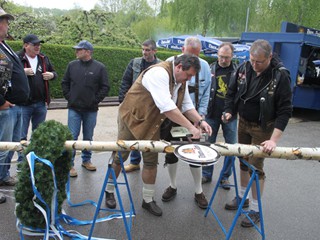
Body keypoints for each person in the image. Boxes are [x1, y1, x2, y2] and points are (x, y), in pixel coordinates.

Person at [104, 54, 212, 216]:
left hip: (152, 122)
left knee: (150, 161)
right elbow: (167, 107)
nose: (189, 79)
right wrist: (191, 127)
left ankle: (147, 200)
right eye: (188, 75)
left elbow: (186, 104)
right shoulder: (159, 73)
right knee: (120, 156)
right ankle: (109, 190)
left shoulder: (181, 80)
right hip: (132, 118)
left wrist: (200, 121)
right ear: (179, 67)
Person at [224, 39, 292, 227]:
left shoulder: (280, 76)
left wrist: (273, 140)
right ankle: (242, 197)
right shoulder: (244, 68)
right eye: (252, 60)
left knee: (256, 167)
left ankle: (255, 210)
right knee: (243, 162)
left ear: (270, 57)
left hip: (263, 127)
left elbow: (285, 110)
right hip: (243, 123)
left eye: (259, 62)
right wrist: (229, 110)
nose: (254, 65)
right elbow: (231, 93)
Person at [162, 36, 211, 209]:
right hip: (172, 117)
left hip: (194, 117)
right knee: (171, 153)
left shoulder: (204, 66)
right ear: (183, 50)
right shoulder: (169, 64)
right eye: (191, 55)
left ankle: (198, 191)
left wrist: (200, 118)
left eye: (196, 56)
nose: (194, 59)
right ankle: (173, 185)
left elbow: (204, 95)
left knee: (196, 156)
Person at [61, 40, 109, 177]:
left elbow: (105, 87)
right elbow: (64, 83)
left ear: (88, 52)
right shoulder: (72, 65)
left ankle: (86, 160)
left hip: (91, 110)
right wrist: (70, 98)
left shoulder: (100, 67)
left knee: (88, 137)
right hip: (74, 109)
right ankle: (69, 165)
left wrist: (94, 100)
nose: (76, 51)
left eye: (79, 49)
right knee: (72, 137)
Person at [0, 8, 30, 202]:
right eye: (5, 21)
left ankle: (2, 176)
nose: (7, 25)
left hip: (13, 107)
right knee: (1, 148)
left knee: (8, 147)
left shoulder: (4, 45)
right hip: (4, 107)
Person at [119, 39, 161, 173]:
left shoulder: (160, 65)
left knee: (146, 134)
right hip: (133, 104)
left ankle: (147, 164)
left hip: (151, 107)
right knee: (131, 132)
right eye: (143, 49)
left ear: (154, 51)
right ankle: (134, 162)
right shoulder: (135, 62)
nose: (144, 52)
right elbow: (126, 81)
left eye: (147, 50)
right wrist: (122, 101)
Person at [16, 34, 57, 166]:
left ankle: (35, 162)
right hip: (23, 104)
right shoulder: (17, 57)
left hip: (40, 103)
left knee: (38, 135)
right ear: (25, 45)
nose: (38, 47)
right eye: (35, 45)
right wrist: (22, 72)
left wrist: (51, 75)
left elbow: (54, 73)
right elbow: (7, 73)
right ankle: (22, 163)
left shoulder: (43, 58)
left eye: (39, 44)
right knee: (21, 136)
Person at [202, 42, 238, 189]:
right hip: (212, 113)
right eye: (221, 57)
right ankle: (206, 174)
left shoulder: (239, 71)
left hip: (231, 115)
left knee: (231, 148)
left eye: (227, 58)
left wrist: (233, 111)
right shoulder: (210, 68)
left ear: (232, 56)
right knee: (208, 146)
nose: (223, 60)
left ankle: (225, 177)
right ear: (217, 54)